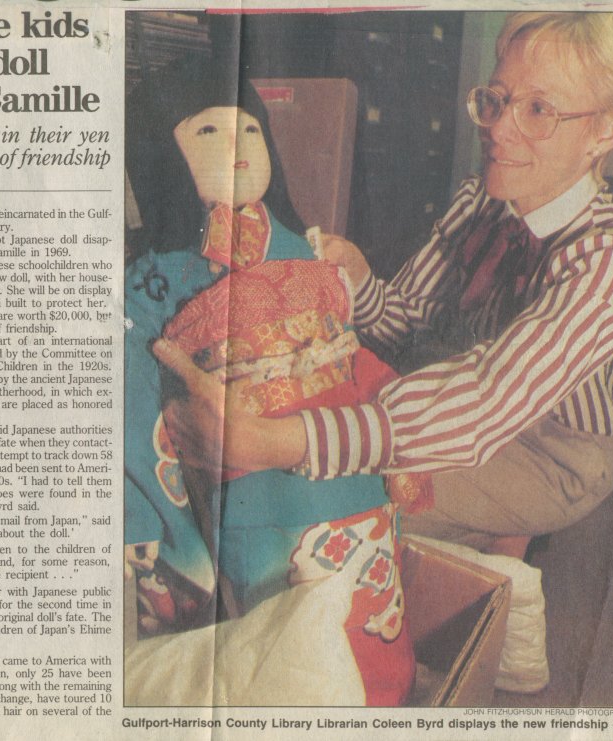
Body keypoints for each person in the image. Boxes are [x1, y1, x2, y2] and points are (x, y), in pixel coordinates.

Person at [153, 11, 613, 554]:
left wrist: (277, 442)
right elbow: (406, 319)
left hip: (550, 453)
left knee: (326, 499)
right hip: (446, 395)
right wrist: (359, 282)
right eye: (497, 100)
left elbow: (486, 401)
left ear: (605, 130)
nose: (498, 129)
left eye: (538, 109)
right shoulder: (482, 198)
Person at [125, 55, 422, 705]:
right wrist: (162, 530)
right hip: (245, 471)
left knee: (372, 605)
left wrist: (395, 439)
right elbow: (136, 409)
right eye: (207, 133)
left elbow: (351, 351)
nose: (234, 147)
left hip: (345, 456)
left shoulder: (312, 248)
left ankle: (388, 701)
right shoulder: (149, 280)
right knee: (279, 633)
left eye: (249, 130)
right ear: (159, 150)